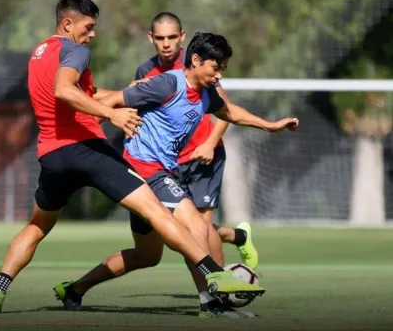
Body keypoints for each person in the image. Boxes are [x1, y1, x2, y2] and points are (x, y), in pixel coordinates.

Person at [0, 0, 262, 315]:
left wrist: (118, 99)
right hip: (90, 151)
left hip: (51, 155)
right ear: (67, 23)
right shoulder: (75, 51)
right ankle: (214, 274)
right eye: (88, 26)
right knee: (157, 211)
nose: (92, 34)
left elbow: (79, 93)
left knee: (37, 226)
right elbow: (64, 90)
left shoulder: (39, 53)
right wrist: (111, 114)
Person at [53, 32, 298, 318]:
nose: (219, 75)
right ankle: (211, 299)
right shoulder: (168, 83)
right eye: (215, 67)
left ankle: (75, 289)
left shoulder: (206, 95)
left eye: (223, 69)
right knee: (195, 222)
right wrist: (86, 131)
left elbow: (230, 112)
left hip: (159, 172)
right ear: (196, 60)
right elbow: (117, 98)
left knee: (147, 256)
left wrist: (269, 126)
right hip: (144, 168)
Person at [133, 12, 258, 272]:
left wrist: (211, 143)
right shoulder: (146, 70)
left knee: (200, 222)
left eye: (171, 37)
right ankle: (235, 238)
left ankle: (221, 287)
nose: (166, 43)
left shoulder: (198, 62)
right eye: (160, 38)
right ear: (150, 39)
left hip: (203, 156)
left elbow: (227, 110)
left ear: (182, 37)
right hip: (166, 163)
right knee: (181, 225)